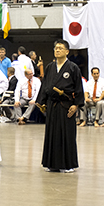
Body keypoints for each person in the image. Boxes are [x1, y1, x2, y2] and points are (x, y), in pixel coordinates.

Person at [36, 39, 84, 172]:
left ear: (67, 51)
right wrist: (41, 101)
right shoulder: (50, 67)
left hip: (66, 105)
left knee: (66, 134)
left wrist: (76, 105)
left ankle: (68, 164)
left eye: (60, 48)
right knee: (51, 134)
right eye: (56, 48)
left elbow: (78, 88)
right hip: (52, 104)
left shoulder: (73, 68)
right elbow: (45, 85)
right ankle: (51, 163)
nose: (57, 50)